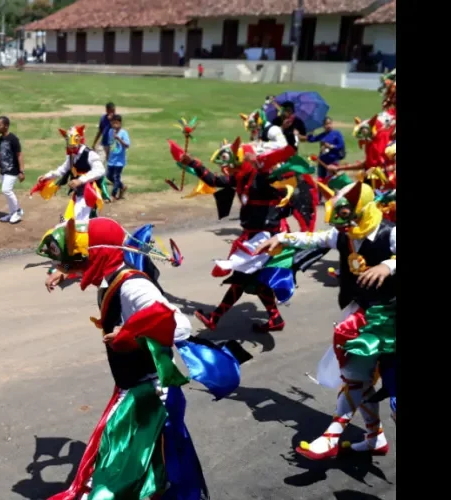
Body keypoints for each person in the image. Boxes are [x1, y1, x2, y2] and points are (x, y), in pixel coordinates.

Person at [38, 217, 251, 500]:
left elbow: (179, 324)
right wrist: (64, 271)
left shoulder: (131, 286)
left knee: (120, 473)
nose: (76, 265)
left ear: (99, 254)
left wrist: (130, 333)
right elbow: (88, 270)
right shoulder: (112, 275)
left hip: (150, 394)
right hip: (132, 387)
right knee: (151, 467)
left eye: (80, 258)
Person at [255, 181, 396, 459]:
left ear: (362, 210)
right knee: (358, 376)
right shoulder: (343, 235)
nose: (342, 226)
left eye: (347, 217)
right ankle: (368, 437)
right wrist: (282, 239)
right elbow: (314, 238)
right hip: (364, 316)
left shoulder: (390, 234)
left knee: (383, 389)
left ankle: (351, 437)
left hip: (390, 318)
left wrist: (387, 265)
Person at [168, 137, 317, 333]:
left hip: (266, 238)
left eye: (235, 165)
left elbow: (277, 170)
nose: (231, 170)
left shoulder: (263, 178)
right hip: (252, 236)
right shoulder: (241, 178)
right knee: (254, 279)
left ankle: (215, 318)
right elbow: (214, 180)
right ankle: (275, 319)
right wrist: (193, 163)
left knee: (240, 276)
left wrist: (279, 153)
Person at [36, 124, 106, 222]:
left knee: (78, 219)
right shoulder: (72, 155)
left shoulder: (90, 154)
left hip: (89, 192)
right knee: (78, 218)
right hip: (79, 192)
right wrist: (47, 176)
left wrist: (81, 180)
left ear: (79, 142)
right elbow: (63, 169)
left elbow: (100, 170)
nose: (71, 149)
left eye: (73, 147)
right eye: (70, 147)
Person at [0, 116, 25, 223]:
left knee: (6, 190)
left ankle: (18, 211)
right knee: (7, 192)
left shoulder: (13, 139)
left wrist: (21, 171)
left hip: (12, 170)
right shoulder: (0, 140)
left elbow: (19, 155)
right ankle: (12, 213)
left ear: (6, 126)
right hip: (3, 170)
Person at [307, 117, 346, 181]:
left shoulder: (337, 133)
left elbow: (340, 145)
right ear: (323, 126)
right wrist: (311, 132)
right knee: (321, 180)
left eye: (329, 123)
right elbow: (312, 140)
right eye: (326, 124)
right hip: (322, 162)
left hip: (333, 162)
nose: (328, 126)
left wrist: (331, 146)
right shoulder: (322, 135)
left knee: (331, 181)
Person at [105, 114, 130, 200]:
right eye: (112, 123)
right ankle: (122, 186)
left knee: (116, 177)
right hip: (111, 159)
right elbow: (109, 144)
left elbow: (127, 145)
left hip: (119, 161)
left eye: (116, 123)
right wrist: (107, 154)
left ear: (120, 123)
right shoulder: (110, 131)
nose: (114, 125)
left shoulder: (124, 133)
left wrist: (119, 139)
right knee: (108, 176)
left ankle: (113, 195)